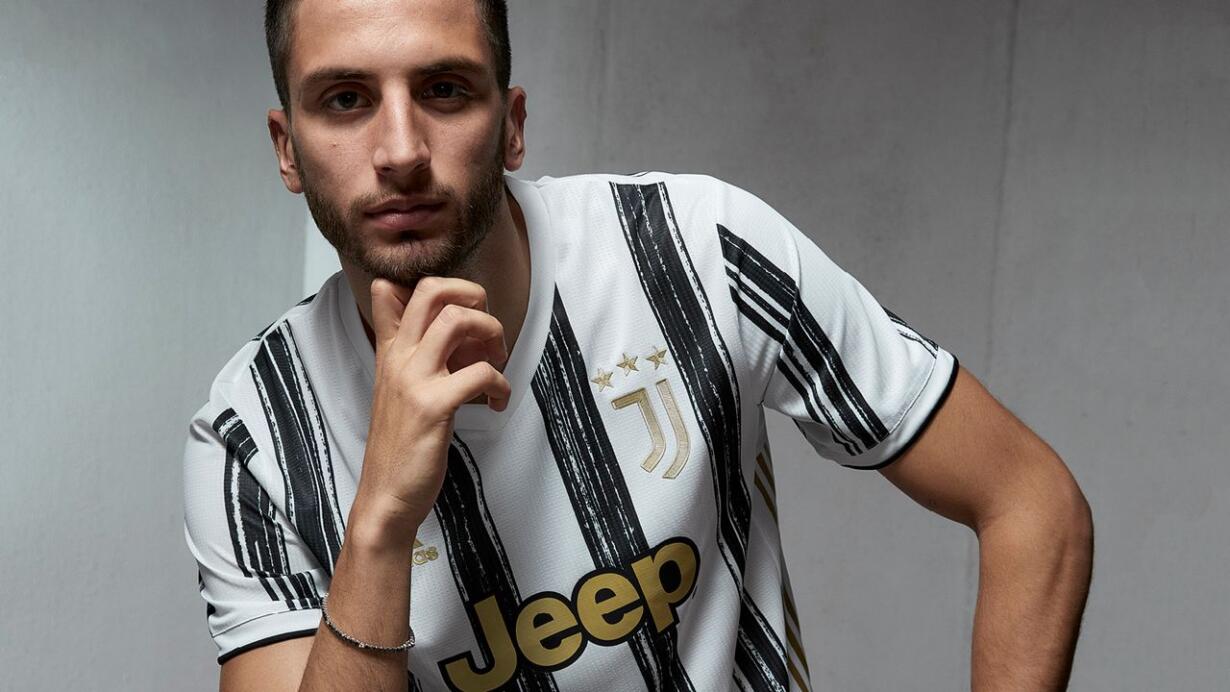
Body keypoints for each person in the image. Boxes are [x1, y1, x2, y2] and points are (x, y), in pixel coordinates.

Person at [181, 0, 1094, 690]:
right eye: (345, 100)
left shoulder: (697, 252)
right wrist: (382, 519)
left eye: (444, 89)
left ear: (512, 125)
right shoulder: (249, 437)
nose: (401, 148)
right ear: (287, 148)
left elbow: (1031, 503)